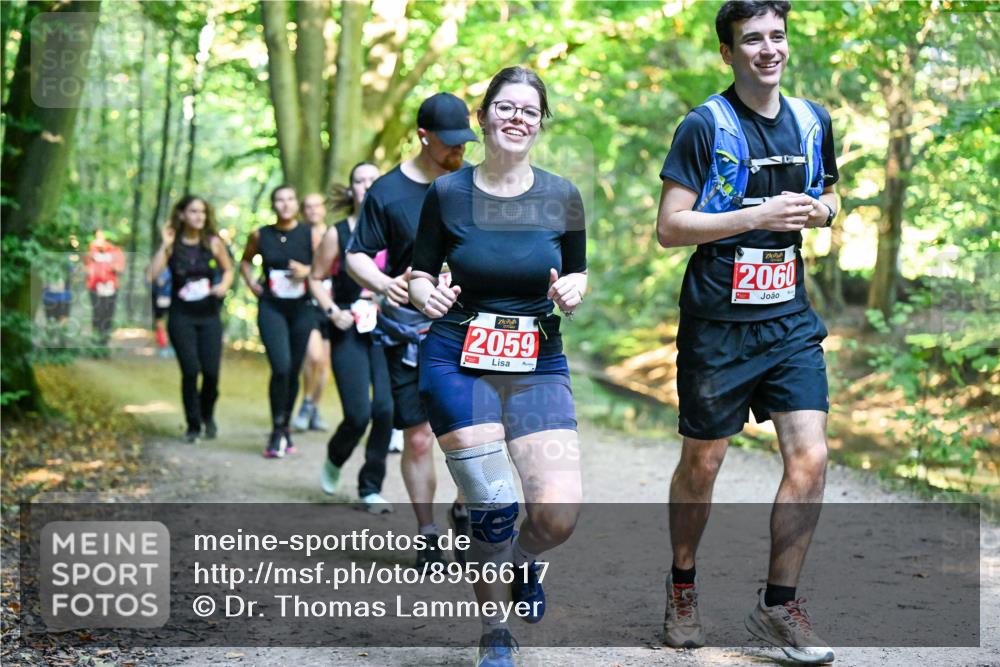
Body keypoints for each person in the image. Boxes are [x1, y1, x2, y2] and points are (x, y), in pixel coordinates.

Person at [655, 2, 839, 663]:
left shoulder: (814, 120)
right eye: (752, 39)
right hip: (717, 324)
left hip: (789, 317)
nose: (769, 48)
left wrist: (820, 211)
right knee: (702, 463)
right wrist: (755, 213)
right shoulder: (706, 126)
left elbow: (829, 194)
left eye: (777, 35)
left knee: (811, 457)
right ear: (728, 53)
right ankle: (682, 586)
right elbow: (671, 225)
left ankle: (778, 604)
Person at [409, 66, 587, 667]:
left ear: (541, 124)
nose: (516, 118)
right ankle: (495, 630)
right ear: (483, 117)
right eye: (505, 107)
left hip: (537, 359)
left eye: (529, 111)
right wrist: (422, 294)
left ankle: (527, 565)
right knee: (492, 502)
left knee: (558, 516)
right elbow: (419, 270)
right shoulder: (447, 194)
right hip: (458, 356)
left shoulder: (562, 195)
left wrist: (574, 291)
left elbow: (577, 269)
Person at [346, 92, 478, 567]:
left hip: (468, 329)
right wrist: (385, 284)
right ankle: (427, 532)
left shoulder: (473, 184)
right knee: (419, 436)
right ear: (424, 137)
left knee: (469, 435)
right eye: (449, 143)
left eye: (465, 141)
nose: (459, 151)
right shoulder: (388, 191)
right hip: (407, 332)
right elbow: (356, 253)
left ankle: (463, 509)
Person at [310, 162, 396, 513]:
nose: (366, 185)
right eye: (359, 181)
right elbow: (315, 278)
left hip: (387, 327)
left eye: (373, 180)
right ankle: (335, 457)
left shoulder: (395, 229)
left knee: (386, 410)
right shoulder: (337, 234)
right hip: (347, 327)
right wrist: (333, 311)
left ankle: (370, 487)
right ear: (352, 189)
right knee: (358, 414)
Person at [149, 195, 234, 443]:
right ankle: (193, 424)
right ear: (182, 215)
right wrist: (165, 245)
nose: (199, 216)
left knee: (211, 373)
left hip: (209, 316)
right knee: (190, 370)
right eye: (193, 211)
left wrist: (224, 285)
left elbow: (228, 269)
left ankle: (208, 415)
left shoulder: (212, 243)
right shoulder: (173, 244)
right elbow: (152, 275)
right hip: (181, 317)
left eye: (203, 212)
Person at [240, 185, 314, 458]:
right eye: (279, 200)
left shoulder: (310, 233)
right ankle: (277, 427)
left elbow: (325, 267)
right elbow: (245, 262)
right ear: (273, 205)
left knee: (293, 370)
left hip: (302, 309)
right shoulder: (261, 234)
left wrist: (307, 271)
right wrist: (251, 285)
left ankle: (285, 428)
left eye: (290, 199)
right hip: (271, 307)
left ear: (296, 204)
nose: (285, 204)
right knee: (280, 367)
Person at [292, 192, 333, 432]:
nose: (313, 210)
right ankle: (306, 403)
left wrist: (307, 270)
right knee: (313, 357)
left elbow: (339, 269)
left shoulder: (335, 233)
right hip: (307, 304)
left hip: (334, 304)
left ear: (324, 209)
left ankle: (314, 408)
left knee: (325, 363)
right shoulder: (299, 236)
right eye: (307, 206)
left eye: (317, 205)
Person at [84, 229, 125, 348]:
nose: (99, 239)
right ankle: (96, 342)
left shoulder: (115, 251)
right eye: (97, 237)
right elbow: (86, 267)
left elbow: (120, 268)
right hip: (94, 288)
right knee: (97, 314)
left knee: (108, 315)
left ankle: (104, 343)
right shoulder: (91, 250)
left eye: (101, 236)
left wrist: (109, 266)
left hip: (110, 288)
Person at [149, 267, 173, 358]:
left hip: (168, 298)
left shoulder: (169, 269)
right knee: (160, 322)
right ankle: (164, 345)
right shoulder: (158, 270)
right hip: (161, 298)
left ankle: (169, 345)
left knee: (168, 322)